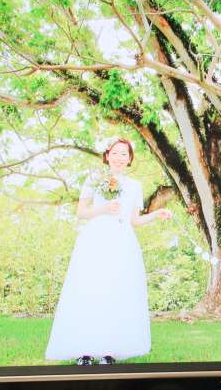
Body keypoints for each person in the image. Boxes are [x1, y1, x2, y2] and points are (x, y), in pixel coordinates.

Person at [45, 138, 172, 365]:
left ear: (130, 158)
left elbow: (134, 220)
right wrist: (103, 209)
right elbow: (81, 212)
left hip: (122, 241)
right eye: (115, 153)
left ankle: (109, 351)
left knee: (116, 292)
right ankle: (84, 351)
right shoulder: (94, 179)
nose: (119, 157)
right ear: (107, 155)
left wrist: (156, 214)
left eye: (124, 154)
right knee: (90, 289)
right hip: (95, 239)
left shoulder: (134, 186)